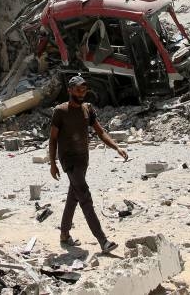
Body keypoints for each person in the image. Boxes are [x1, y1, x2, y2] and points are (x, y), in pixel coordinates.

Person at [48, 75, 128, 252]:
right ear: (69, 90)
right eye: (78, 90)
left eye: (83, 90)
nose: (81, 93)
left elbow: (100, 132)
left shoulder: (87, 109)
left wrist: (116, 147)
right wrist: (52, 163)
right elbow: (53, 139)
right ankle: (103, 241)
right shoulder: (60, 112)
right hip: (68, 161)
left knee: (74, 196)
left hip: (83, 160)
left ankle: (64, 234)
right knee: (85, 196)